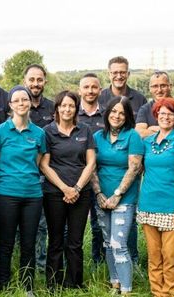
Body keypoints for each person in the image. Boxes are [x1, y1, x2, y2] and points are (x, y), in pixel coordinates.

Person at [0, 86, 46, 297]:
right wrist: (4, 176)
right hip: (5, 194)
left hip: (32, 194)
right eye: (17, 100)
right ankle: (3, 286)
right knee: (6, 242)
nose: (21, 103)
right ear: (10, 105)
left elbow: (39, 162)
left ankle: (28, 287)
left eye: (25, 99)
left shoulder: (39, 133)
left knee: (29, 242)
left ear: (30, 103)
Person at [136, 98, 174, 297]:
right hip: (148, 204)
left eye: (170, 114)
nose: (166, 117)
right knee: (154, 255)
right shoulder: (148, 142)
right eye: (162, 113)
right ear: (156, 115)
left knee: (170, 255)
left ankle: (169, 295)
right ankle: (156, 292)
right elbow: (139, 168)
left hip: (172, 206)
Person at [39, 91, 96, 289]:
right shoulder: (47, 131)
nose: (67, 109)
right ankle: (53, 284)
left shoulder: (85, 130)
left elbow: (91, 162)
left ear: (76, 108)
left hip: (82, 192)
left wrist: (77, 188)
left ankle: (74, 283)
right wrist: (65, 188)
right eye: (63, 105)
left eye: (71, 105)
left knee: (75, 241)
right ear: (57, 108)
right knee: (55, 240)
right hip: (55, 193)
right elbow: (44, 165)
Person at [91, 96, 143, 296]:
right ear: (107, 113)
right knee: (107, 244)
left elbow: (134, 168)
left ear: (127, 116)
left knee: (118, 244)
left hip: (124, 198)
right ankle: (115, 284)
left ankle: (127, 290)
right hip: (101, 197)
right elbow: (92, 167)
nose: (117, 116)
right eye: (113, 111)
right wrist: (98, 193)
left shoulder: (133, 136)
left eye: (122, 113)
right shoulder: (97, 137)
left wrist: (117, 195)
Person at [24, 64, 54, 272]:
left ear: (45, 81)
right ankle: (22, 265)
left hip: (47, 174)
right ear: (25, 80)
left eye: (39, 80)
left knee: (42, 224)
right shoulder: (17, 103)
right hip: (21, 174)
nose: (35, 84)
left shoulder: (53, 107)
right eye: (32, 80)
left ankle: (41, 266)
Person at [77, 73, 106, 265]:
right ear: (79, 90)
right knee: (71, 227)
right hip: (73, 178)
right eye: (86, 87)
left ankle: (99, 263)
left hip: (100, 179)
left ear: (100, 91)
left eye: (94, 87)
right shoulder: (70, 112)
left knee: (99, 225)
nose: (90, 91)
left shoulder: (108, 114)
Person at [135, 71, 174, 136]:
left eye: (163, 86)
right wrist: (171, 131)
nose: (159, 90)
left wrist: (151, 128)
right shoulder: (145, 109)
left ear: (170, 86)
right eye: (155, 86)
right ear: (150, 88)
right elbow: (140, 133)